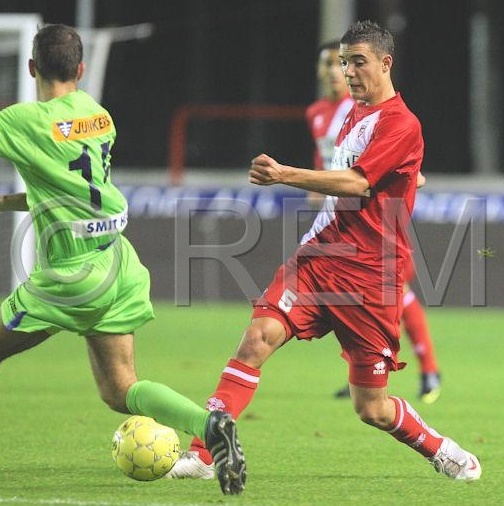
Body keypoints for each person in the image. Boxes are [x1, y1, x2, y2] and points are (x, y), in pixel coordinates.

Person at [167, 20, 481, 481]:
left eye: (358, 62)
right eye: (343, 62)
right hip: (318, 258)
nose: (349, 72)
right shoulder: (354, 113)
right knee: (256, 339)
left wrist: (284, 175)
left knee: (370, 406)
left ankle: (439, 447)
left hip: (370, 278)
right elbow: (379, 171)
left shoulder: (400, 121)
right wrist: (407, 174)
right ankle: (204, 453)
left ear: (385, 63)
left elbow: (357, 183)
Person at [0, 24, 246, 495]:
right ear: (82, 67)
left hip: (73, 275)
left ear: (32, 67)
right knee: (120, 389)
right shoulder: (98, 115)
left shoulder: (22, 121)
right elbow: (66, 189)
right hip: (118, 264)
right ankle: (210, 426)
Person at [306, 40, 441, 403]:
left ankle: (429, 368)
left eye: (343, 64)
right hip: (338, 213)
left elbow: (387, 157)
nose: (337, 71)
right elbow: (331, 158)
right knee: (344, 291)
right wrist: (319, 186)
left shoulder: (366, 106)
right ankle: (361, 373)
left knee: (397, 291)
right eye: (331, 64)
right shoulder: (318, 112)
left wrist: (409, 178)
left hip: (377, 218)